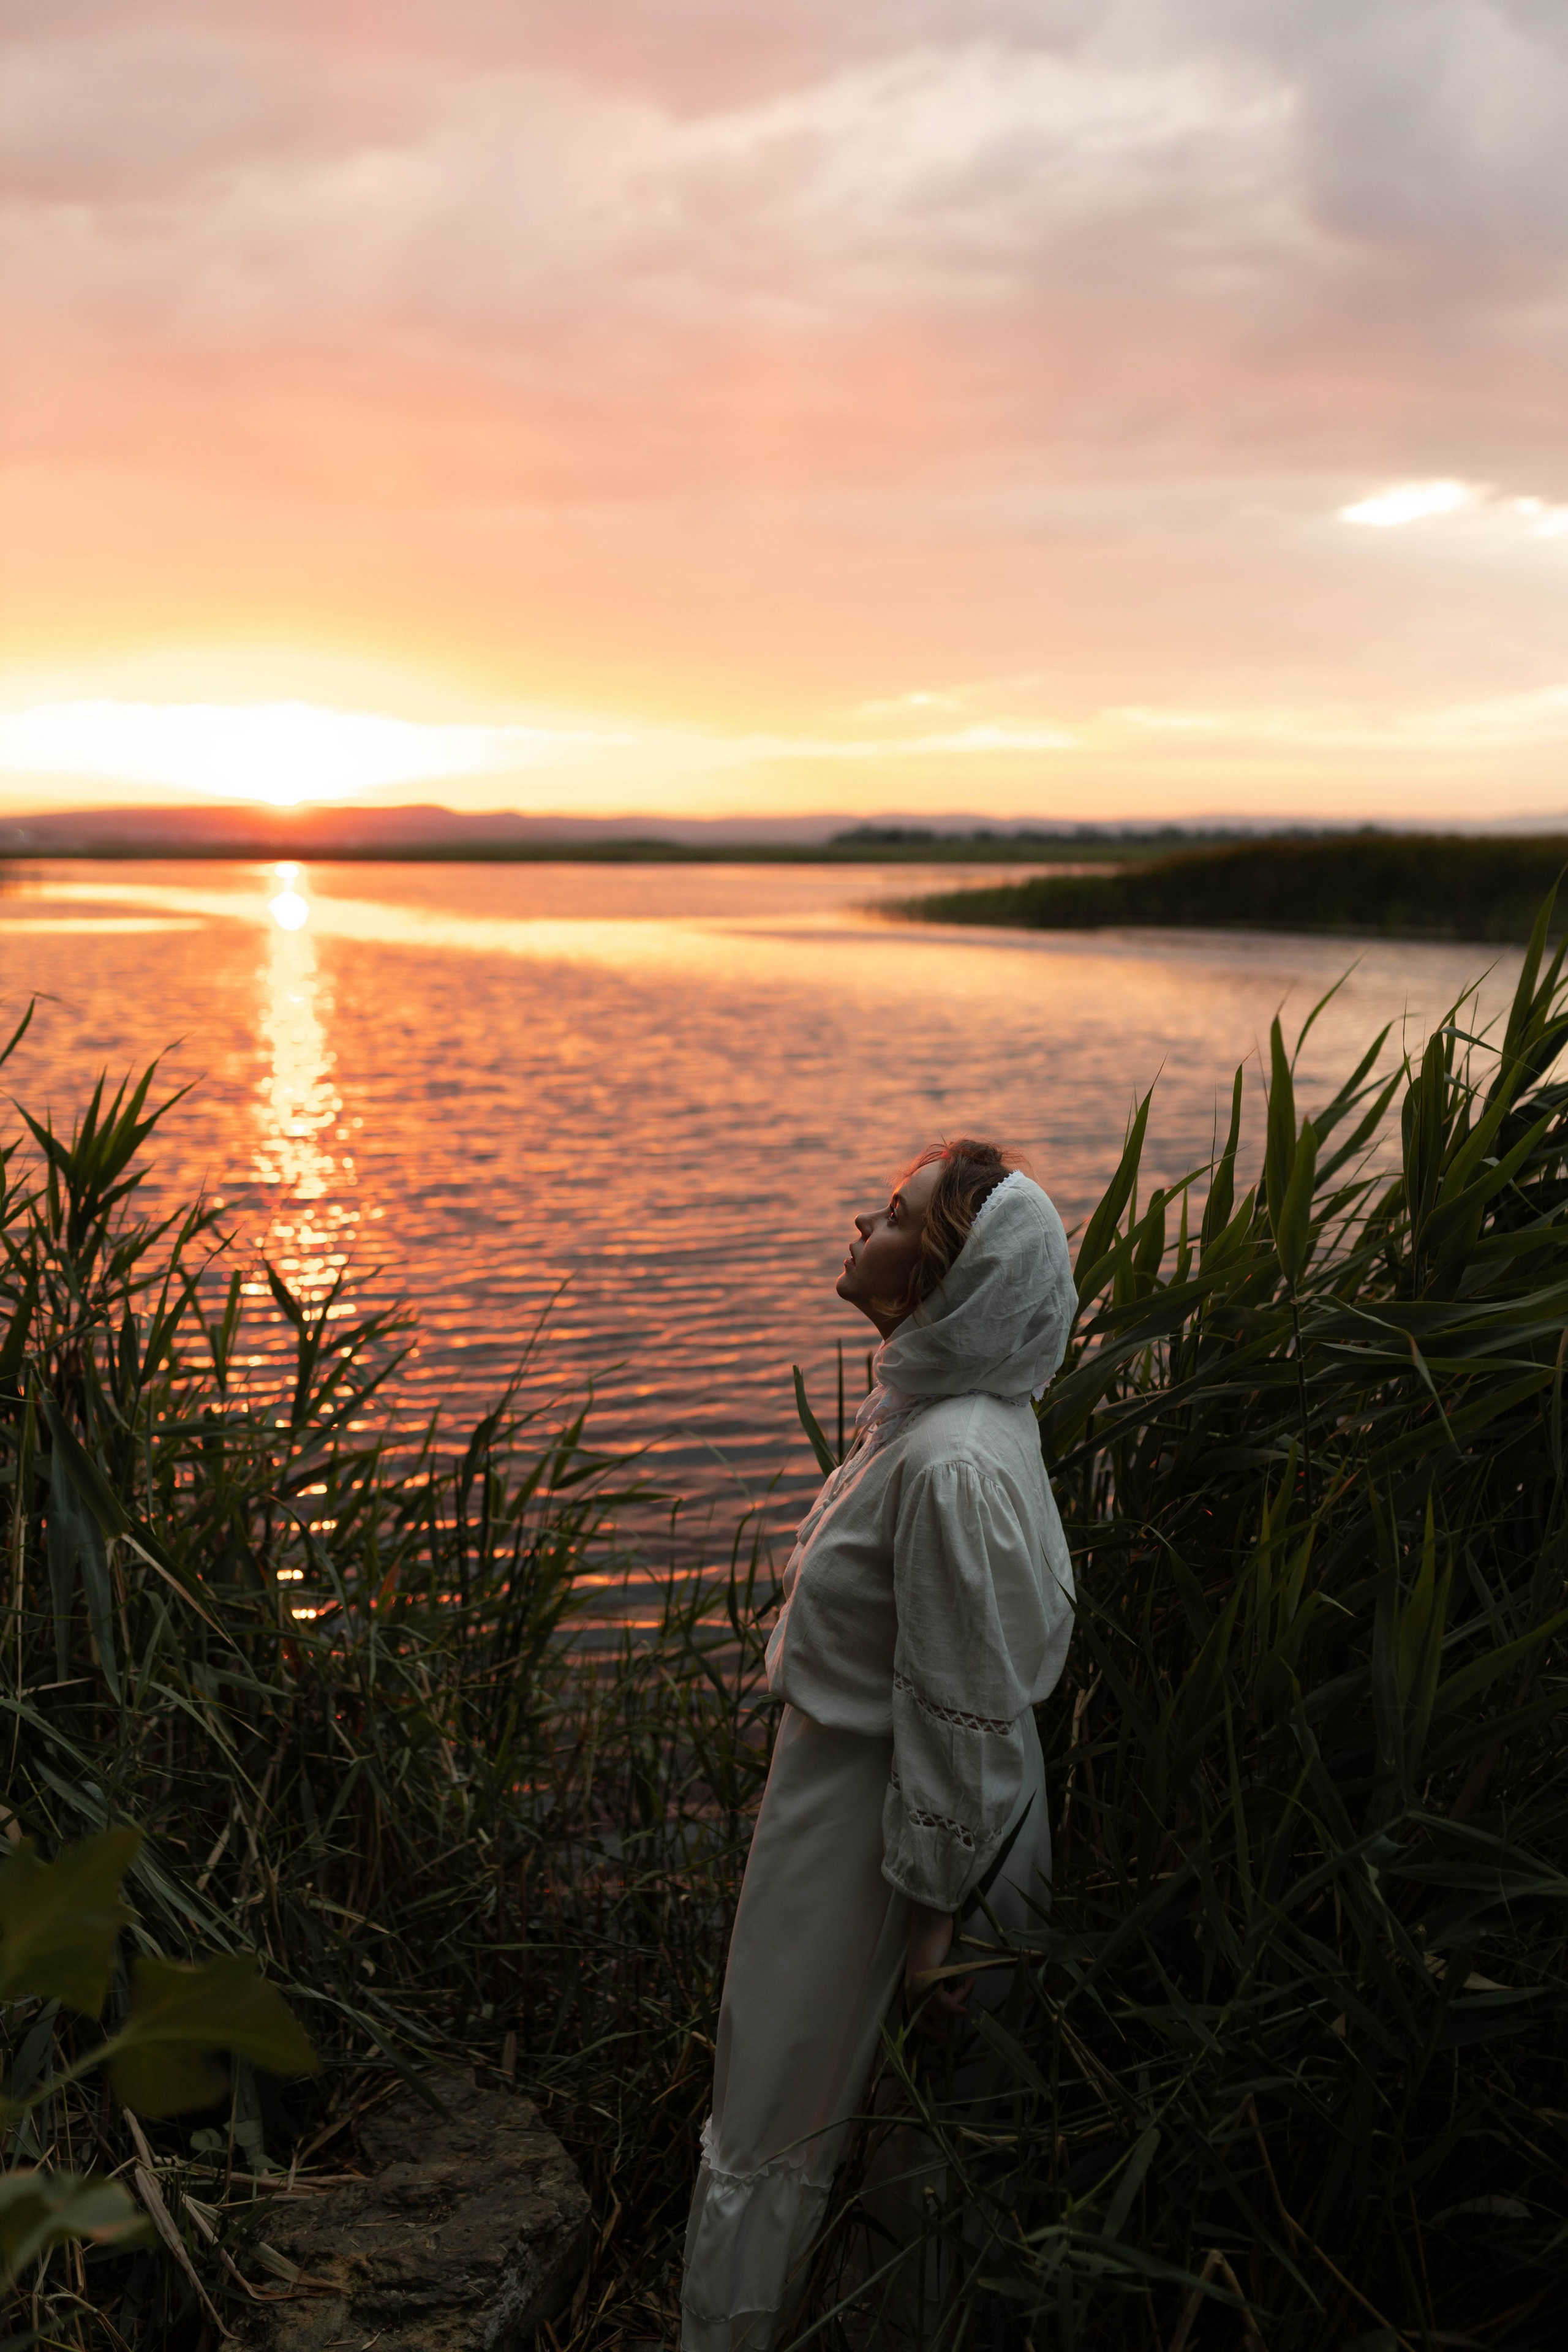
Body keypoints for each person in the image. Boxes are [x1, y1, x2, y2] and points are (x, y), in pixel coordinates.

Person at [680, 1139, 1079, 2352]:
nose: (861, 1221)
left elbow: (961, 1702)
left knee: (778, 2111)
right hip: (872, 1810)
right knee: (851, 2128)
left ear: (952, 1275)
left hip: (891, 1839)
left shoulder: (950, 1459)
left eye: (894, 1215)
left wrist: (932, 1934)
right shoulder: (934, 1424)